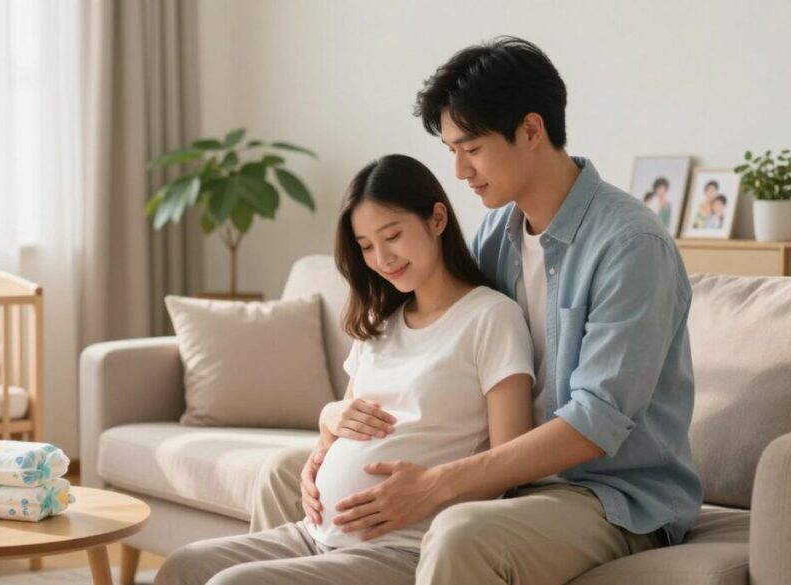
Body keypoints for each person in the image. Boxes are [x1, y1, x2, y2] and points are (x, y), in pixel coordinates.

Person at [253, 36, 702, 585]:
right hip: (513, 477)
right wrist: (333, 429)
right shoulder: (496, 234)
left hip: (607, 494)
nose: (461, 171)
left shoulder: (630, 245)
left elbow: (595, 422)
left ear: (531, 131)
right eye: (451, 151)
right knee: (286, 473)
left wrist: (440, 483)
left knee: (461, 533)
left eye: (472, 148)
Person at [154, 154, 536, 585]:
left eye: (392, 236)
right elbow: (344, 426)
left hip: (400, 548)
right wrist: (323, 439)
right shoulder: (380, 323)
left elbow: (510, 462)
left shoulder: (490, 317)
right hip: (313, 534)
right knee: (183, 566)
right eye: (366, 246)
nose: (382, 258)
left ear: (437, 219)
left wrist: (431, 488)